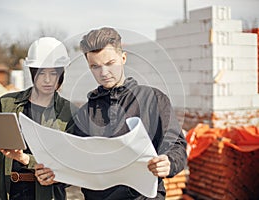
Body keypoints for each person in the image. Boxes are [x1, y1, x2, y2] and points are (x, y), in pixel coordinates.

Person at [36, 27, 187, 199]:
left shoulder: (153, 99)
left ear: (123, 58)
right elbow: (76, 163)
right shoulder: (85, 114)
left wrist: (169, 162)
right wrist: (54, 175)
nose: (103, 73)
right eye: (95, 67)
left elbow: (176, 146)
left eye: (109, 64)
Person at [0, 37, 77, 200]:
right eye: (41, 72)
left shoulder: (70, 113)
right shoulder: (7, 104)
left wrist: (24, 159)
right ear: (32, 72)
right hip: (8, 192)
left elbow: (69, 167)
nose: (47, 79)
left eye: (53, 73)